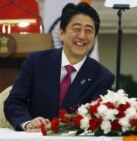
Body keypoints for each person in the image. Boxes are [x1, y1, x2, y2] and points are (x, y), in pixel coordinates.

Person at [4, 2, 115, 132]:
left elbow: (96, 118)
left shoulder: (102, 77)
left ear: (94, 38)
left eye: (89, 31)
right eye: (76, 29)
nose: (82, 36)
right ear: (61, 33)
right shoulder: (36, 62)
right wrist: (28, 122)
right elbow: (13, 103)